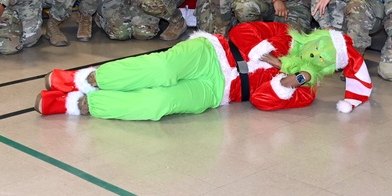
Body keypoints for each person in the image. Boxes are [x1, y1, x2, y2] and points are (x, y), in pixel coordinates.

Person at [36, 21, 372, 119]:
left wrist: (287, 81)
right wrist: (270, 57)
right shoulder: (285, 33)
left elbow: (262, 101)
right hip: (212, 53)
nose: (315, 53)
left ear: (328, 68)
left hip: (220, 91)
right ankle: (83, 78)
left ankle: (78, 105)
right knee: (163, 67)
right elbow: (242, 32)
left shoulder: (305, 92)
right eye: (319, 45)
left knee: (159, 105)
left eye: (323, 58)